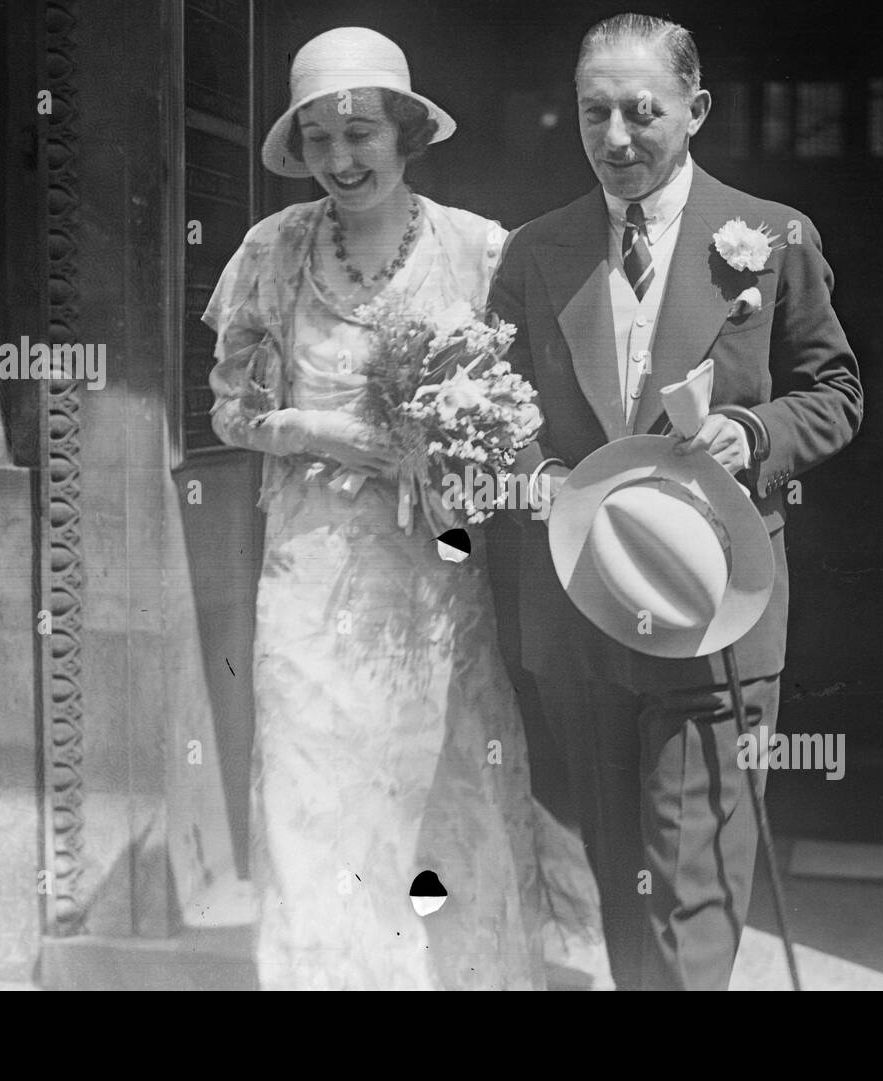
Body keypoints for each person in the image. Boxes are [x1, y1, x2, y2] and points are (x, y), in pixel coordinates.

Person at [488, 13, 864, 990]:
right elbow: (495, 405)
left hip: (715, 606)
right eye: (593, 112)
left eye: (641, 111)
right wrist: (533, 473)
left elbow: (836, 392)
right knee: (626, 879)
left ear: (694, 111)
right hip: (581, 608)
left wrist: (755, 434)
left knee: (695, 880)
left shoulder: (771, 237)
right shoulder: (535, 253)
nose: (615, 137)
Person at [202, 26, 551, 990]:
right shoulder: (270, 253)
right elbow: (230, 411)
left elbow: (522, 414)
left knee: (447, 797)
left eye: (359, 133)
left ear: (404, 133)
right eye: (318, 139)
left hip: (433, 577)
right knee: (315, 797)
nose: (341, 160)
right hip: (311, 570)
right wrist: (333, 435)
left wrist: (464, 452)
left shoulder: (479, 250)